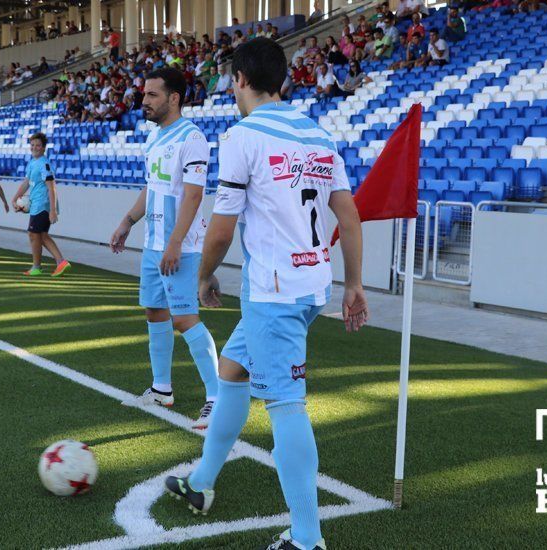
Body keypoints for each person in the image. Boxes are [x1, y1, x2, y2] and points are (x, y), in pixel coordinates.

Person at [163, 38, 368, 550]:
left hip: (274, 293)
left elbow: (221, 230)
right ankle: (202, 484)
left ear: (238, 81)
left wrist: (204, 276)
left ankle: (307, 539)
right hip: (309, 287)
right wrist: (354, 283)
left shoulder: (243, 137)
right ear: (283, 80)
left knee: (286, 404)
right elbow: (350, 216)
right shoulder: (318, 136)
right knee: (232, 370)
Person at [109, 67, 220, 430]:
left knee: (186, 319)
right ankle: (161, 389)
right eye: (144, 94)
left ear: (174, 98)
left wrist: (174, 243)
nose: (144, 101)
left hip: (182, 248)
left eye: (152, 95)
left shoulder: (193, 138)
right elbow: (151, 187)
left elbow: (193, 194)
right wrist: (127, 221)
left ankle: (218, 397)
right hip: (154, 245)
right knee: (154, 312)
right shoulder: (155, 138)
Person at [10, 133, 72, 277]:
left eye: (38, 145)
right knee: (41, 235)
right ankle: (53, 264)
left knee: (34, 234)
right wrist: (14, 198)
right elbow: (27, 182)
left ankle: (47, 264)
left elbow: (52, 187)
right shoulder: (32, 162)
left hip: (42, 205)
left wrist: (53, 210)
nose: (34, 148)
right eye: (32, 145)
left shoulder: (44, 164)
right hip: (36, 204)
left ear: (44, 148)